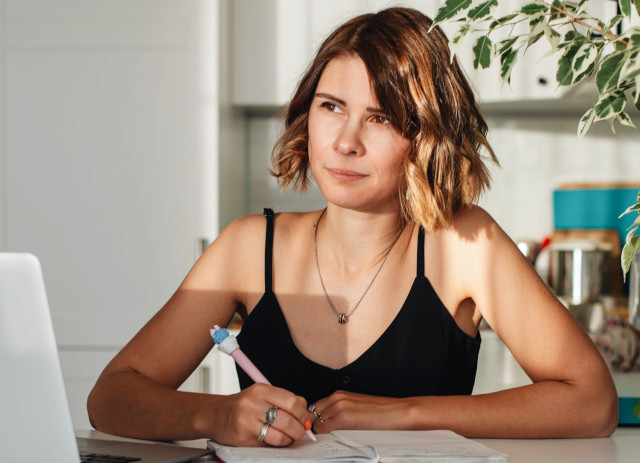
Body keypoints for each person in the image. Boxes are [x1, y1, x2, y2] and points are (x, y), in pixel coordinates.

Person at [87, 7, 618, 447]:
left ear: (425, 137)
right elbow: (110, 396)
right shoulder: (249, 246)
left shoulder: (462, 244)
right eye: (331, 106)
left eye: (381, 117)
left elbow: (591, 402)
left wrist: (404, 414)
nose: (345, 141)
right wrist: (217, 415)